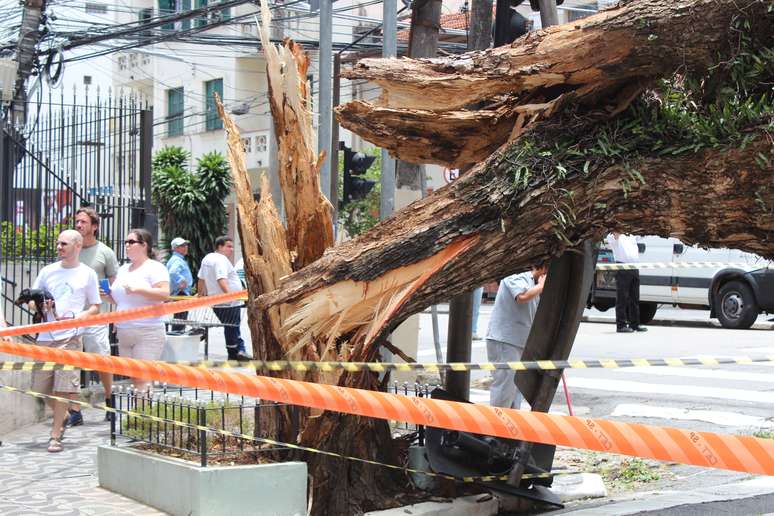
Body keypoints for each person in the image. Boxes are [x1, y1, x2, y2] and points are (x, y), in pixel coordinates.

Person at [29, 229, 101, 452]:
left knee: (62, 388)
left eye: (64, 244)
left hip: (70, 337)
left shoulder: (87, 273)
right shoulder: (48, 271)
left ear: (78, 246)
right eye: (58, 243)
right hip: (44, 337)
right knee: (39, 388)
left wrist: (80, 317)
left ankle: (55, 435)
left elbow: (95, 307)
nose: (59, 247)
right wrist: (40, 305)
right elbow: (31, 301)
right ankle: (66, 413)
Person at [66, 206, 120, 426]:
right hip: (72, 316)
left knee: (102, 361)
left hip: (98, 317)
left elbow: (114, 286)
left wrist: (113, 311)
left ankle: (110, 399)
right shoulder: (71, 249)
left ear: (94, 227)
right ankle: (75, 410)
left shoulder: (105, 252)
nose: (79, 225)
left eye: (83, 222)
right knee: (71, 363)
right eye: (77, 222)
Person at [106, 228, 170, 392]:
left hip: (147, 330)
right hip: (124, 330)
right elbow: (120, 299)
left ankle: (141, 416)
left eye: (131, 242)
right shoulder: (123, 269)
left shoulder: (155, 267)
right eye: (126, 242)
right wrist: (105, 295)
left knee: (143, 377)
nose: (127, 245)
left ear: (144, 245)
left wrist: (138, 290)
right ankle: (138, 414)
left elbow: (164, 293)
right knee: (134, 377)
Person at [485, 264, 547, 410]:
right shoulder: (516, 275)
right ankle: (495, 429)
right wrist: (541, 286)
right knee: (504, 389)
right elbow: (522, 296)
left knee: (515, 389)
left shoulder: (534, 284)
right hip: (505, 340)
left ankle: (509, 429)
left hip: (518, 342)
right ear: (543, 269)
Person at [197, 236, 249, 361]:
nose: (231, 249)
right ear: (219, 246)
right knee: (232, 327)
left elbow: (201, 278)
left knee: (231, 327)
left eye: (232, 246)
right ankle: (236, 353)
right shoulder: (220, 260)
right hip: (230, 303)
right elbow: (221, 279)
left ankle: (239, 351)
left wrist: (200, 294)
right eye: (228, 246)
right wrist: (229, 295)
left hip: (218, 303)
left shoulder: (207, 258)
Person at [606, 232, 647, 333]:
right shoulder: (613, 236)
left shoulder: (631, 235)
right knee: (622, 298)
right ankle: (621, 325)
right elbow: (614, 237)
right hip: (622, 267)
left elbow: (642, 233)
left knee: (635, 298)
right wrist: (617, 230)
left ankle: (635, 324)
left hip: (634, 267)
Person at [166, 237, 193, 331]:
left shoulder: (176, 259)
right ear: (175, 248)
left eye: (186, 245)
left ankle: (176, 338)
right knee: (180, 320)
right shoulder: (177, 260)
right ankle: (177, 339)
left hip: (180, 293)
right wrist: (181, 281)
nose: (185, 247)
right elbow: (172, 272)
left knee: (179, 319)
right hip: (181, 293)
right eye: (182, 246)